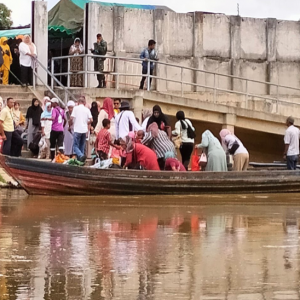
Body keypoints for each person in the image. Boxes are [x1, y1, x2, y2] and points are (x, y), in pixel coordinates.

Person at [71, 96, 93, 162]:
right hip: (84, 130)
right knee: (82, 145)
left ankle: (80, 155)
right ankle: (80, 161)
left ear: (78, 102)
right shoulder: (87, 109)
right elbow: (91, 120)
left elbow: (71, 118)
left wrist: (70, 124)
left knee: (75, 146)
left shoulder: (75, 108)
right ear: (84, 102)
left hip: (77, 129)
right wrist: (86, 123)